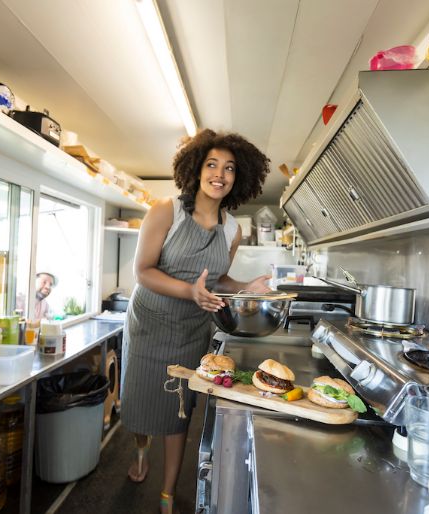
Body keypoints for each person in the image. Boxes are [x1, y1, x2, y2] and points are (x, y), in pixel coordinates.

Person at [120, 129, 271, 514]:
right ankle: (140, 452)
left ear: (240, 177)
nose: (220, 174)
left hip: (191, 328)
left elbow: (218, 280)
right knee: (139, 403)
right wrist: (189, 291)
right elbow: (143, 271)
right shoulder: (164, 211)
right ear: (197, 168)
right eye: (212, 164)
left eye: (230, 168)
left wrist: (246, 288)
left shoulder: (233, 229)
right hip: (149, 322)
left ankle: (168, 490)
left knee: (178, 408)